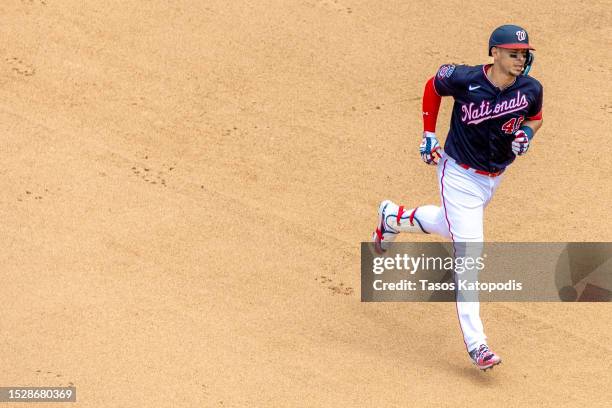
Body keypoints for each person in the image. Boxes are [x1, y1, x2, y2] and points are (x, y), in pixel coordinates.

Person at [372, 24, 543, 371]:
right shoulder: (465, 79)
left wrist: (526, 133)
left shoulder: (530, 89)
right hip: (459, 174)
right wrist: (428, 134)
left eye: (523, 53)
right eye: (513, 53)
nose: (520, 59)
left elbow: (536, 118)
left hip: (494, 178)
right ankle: (477, 344)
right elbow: (433, 86)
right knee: (470, 253)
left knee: (451, 227)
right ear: (494, 53)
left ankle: (392, 217)